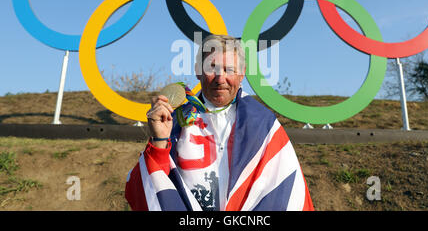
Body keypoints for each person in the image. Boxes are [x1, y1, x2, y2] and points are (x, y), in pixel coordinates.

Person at [125, 34, 314, 211]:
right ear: (198, 71)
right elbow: (147, 192)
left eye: (228, 69)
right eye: (211, 68)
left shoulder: (264, 124)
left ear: (242, 74)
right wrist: (159, 140)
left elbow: (288, 192)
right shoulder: (174, 122)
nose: (220, 78)